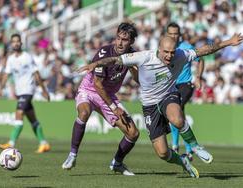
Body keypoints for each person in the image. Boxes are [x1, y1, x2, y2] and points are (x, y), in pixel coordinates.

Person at [78, 33, 243, 178]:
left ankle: (195, 146)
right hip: (149, 105)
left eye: (172, 52)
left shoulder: (181, 54)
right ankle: (183, 162)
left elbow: (205, 50)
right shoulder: (143, 57)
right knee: (163, 153)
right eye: (166, 52)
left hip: (168, 96)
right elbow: (115, 59)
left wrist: (228, 42)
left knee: (177, 119)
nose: (170, 56)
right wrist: (96, 64)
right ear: (158, 49)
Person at [62, 22, 140, 176]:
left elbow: (139, 80)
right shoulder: (105, 52)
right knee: (83, 113)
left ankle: (117, 163)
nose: (119, 42)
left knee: (133, 133)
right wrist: (113, 107)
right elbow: (97, 84)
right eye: (118, 38)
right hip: (89, 90)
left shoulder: (133, 55)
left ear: (131, 42)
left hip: (109, 95)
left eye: (124, 40)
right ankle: (72, 155)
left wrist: (134, 68)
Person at [0, 34, 51, 153]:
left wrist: (44, 90)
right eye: (13, 42)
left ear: (21, 43)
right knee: (32, 119)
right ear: (11, 44)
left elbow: (36, 73)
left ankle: (11, 143)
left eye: (18, 41)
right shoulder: (11, 59)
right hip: (20, 91)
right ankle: (44, 143)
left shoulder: (27, 57)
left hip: (28, 90)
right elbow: (6, 74)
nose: (16, 43)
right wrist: (1, 88)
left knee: (19, 114)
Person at [166, 22, 204, 161]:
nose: (173, 36)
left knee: (176, 110)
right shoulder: (165, 48)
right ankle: (189, 149)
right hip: (171, 86)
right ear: (167, 34)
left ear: (179, 34)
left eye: (176, 33)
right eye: (171, 33)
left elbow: (200, 59)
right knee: (178, 114)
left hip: (185, 85)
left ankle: (175, 145)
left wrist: (198, 77)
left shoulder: (186, 47)